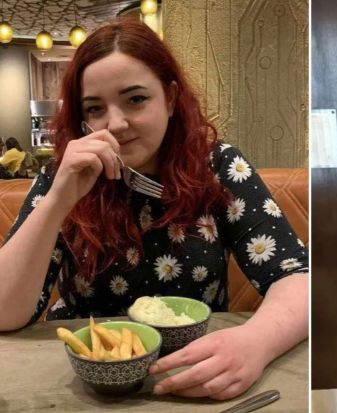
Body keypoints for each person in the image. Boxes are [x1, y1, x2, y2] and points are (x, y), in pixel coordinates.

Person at [0, 19, 308, 400]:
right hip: (89, 384)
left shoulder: (217, 167)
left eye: (136, 99)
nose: (115, 124)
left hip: (194, 371)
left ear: (171, 98)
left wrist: (256, 342)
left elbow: (298, 278)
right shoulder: (62, 176)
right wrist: (59, 200)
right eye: (95, 109)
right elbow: (4, 312)